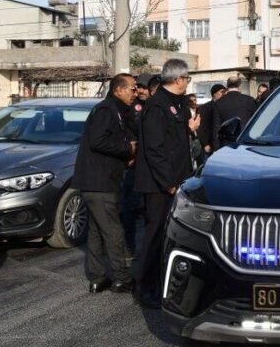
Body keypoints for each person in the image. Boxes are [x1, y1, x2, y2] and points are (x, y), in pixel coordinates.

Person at [133, 59, 199, 309]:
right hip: (159, 184)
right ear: (179, 79)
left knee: (173, 236)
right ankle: (144, 286)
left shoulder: (179, 103)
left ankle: (164, 282)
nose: (187, 83)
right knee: (155, 234)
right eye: (187, 79)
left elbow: (176, 140)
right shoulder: (157, 106)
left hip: (180, 179)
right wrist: (169, 183)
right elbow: (154, 149)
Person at [73, 73, 138, 294]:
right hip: (99, 182)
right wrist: (127, 148)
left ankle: (97, 277)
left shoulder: (116, 110)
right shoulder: (106, 110)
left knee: (97, 232)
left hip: (100, 180)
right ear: (118, 89)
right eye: (132, 88)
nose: (135, 93)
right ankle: (121, 277)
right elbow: (99, 140)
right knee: (113, 231)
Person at [120, 72, 151, 253]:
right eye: (138, 87)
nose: (140, 91)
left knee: (150, 209)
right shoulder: (130, 108)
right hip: (133, 164)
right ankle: (129, 246)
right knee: (129, 207)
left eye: (144, 87)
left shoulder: (156, 107)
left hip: (150, 165)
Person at [211, 75, 259, 149]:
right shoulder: (249, 100)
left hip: (226, 145)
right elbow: (256, 123)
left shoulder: (219, 103)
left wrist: (216, 148)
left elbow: (216, 128)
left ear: (227, 86)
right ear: (240, 85)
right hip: (246, 143)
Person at [196, 84, 226, 156]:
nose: (224, 94)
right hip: (209, 146)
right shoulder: (204, 108)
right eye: (222, 92)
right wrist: (205, 144)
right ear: (214, 94)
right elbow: (200, 127)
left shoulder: (224, 107)